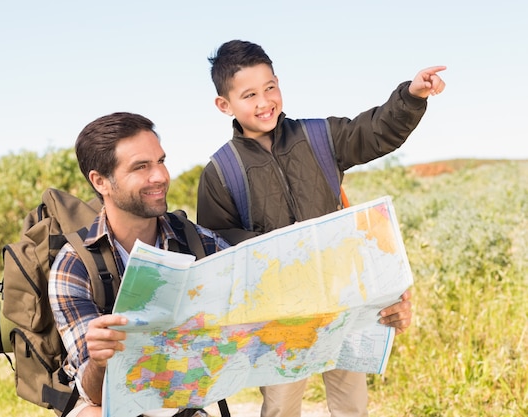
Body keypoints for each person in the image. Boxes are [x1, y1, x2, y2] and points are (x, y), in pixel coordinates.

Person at [197, 40, 445, 417]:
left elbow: (374, 130)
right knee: (281, 405)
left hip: (343, 299)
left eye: (270, 88)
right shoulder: (220, 171)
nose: (265, 102)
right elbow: (215, 244)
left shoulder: (319, 136)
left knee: (352, 404)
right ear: (224, 105)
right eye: (249, 95)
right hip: (279, 314)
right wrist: (273, 248)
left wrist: (410, 97)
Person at [48, 112, 230, 417]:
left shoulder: (198, 243)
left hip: (177, 399)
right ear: (100, 181)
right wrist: (100, 359)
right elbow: (94, 394)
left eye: (160, 161)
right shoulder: (74, 266)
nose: (160, 176)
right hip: (107, 402)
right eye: (141, 167)